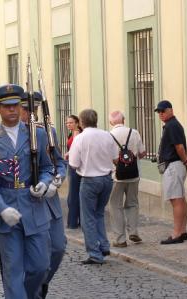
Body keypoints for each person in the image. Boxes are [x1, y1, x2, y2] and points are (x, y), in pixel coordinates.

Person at [0, 84, 54, 299]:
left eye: (16, 105)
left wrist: (45, 183)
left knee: (40, 267)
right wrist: (1, 208)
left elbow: (48, 167)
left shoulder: (36, 134)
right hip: (6, 208)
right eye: (7, 106)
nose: (12, 110)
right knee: (13, 271)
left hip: (33, 207)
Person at [20, 91, 67, 299]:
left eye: (35, 109)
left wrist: (58, 180)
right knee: (34, 256)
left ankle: (43, 283)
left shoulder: (48, 131)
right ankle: (34, 291)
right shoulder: (12, 135)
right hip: (27, 200)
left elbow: (59, 162)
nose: (33, 113)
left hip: (49, 201)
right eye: (28, 109)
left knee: (58, 248)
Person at [69, 109, 119, 265]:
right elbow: (116, 159)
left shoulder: (81, 138)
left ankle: (94, 253)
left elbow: (73, 164)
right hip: (107, 179)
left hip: (89, 179)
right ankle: (104, 246)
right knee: (99, 214)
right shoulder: (107, 135)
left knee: (87, 218)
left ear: (81, 122)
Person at [155, 100, 187, 245]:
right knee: (181, 199)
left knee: (176, 200)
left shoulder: (172, 125)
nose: (160, 114)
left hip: (173, 166)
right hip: (176, 165)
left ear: (170, 110)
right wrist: (184, 161)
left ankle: (177, 234)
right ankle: (182, 231)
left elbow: (179, 147)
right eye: (158, 111)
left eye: (163, 110)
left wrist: (184, 161)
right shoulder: (173, 125)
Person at [108, 111, 146, 247]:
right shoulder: (134, 133)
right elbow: (142, 153)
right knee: (133, 203)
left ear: (111, 122)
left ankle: (120, 239)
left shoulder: (109, 136)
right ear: (123, 120)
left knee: (115, 206)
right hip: (133, 175)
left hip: (115, 176)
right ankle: (133, 231)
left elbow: (108, 156)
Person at [64, 115, 82, 229]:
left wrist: (68, 153)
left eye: (71, 122)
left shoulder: (78, 134)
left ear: (77, 123)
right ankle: (74, 221)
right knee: (73, 194)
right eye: (67, 123)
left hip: (76, 166)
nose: (68, 125)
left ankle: (73, 222)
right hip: (71, 165)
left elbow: (75, 149)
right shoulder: (71, 133)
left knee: (73, 194)